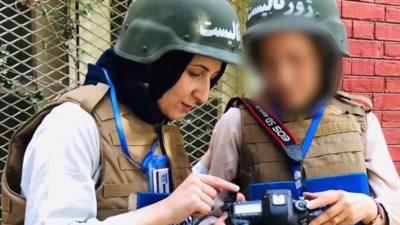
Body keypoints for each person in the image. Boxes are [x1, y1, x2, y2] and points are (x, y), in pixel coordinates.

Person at [1, 0, 243, 224]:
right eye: (195, 73)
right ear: (154, 63)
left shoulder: (155, 127)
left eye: (213, 78)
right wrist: (166, 211)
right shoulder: (71, 125)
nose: (203, 95)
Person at [195, 0, 400, 225]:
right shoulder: (235, 122)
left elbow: (395, 206)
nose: (283, 77)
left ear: (325, 59)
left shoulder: (361, 122)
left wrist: (372, 209)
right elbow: (207, 213)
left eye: (297, 59)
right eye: (269, 63)